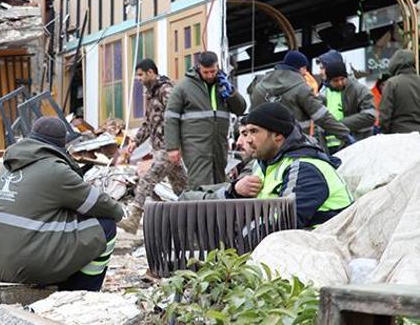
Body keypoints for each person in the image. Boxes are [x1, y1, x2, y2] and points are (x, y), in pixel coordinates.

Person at [0, 117, 123, 291]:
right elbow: (108, 208)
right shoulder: (56, 171)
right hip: (23, 268)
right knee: (106, 227)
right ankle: (81, 293)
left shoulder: (8, 165)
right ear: (61, 145)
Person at [231, 102, 354, 228]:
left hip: (325, 243)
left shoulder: (305, 168)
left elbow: (282, 224)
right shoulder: (264, 163)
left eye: (254, 131)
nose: (248, 140)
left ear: (278, 135)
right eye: (247, 133)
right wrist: (236, 191)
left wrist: (238, 237)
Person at [118, 59, 186, 233]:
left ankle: (133, 219)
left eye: (140, 75)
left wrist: (174, 146)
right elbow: (148, 123)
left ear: (150, 72)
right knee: (182, 189)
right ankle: (194, 219)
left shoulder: (166, 90)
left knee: (147, 180)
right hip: (160, 149)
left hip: (168, 147)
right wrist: (135, 142)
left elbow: (177, 116)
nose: (138, 79)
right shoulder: (151, 94)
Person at [164, 51, 246, 188]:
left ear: (218, 67)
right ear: (198, 68)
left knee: (220, 182)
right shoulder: (183, 87)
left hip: (219, 144)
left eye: (213, 71)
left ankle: (218, 210)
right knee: (200, 184)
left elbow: (240, 109)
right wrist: (172, 147)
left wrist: (232, 93)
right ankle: (200, 209)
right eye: (205, 72)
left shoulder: (223, 85)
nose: (210, 75)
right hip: (195, 145)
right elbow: (171, 117)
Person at [250, 50, 351, 146]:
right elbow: (322, 117)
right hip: (295, 146)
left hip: (265, 147)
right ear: (301, 68)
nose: (305, 72)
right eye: (305, 68)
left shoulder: (260, 87)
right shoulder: (301, 89)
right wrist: (346, 134)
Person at [319, 61, 376, 153]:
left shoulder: (358, 89)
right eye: (335, 80)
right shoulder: (322, 93)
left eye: (342, 79)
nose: (340, 83)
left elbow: (370, 116)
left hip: (354, 146)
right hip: (331, 149)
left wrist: (336, 126)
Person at [379, 49, 420, 134]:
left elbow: (385, 115)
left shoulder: (392, 83)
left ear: (393, 64)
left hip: (398, 135)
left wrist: (385, 133)